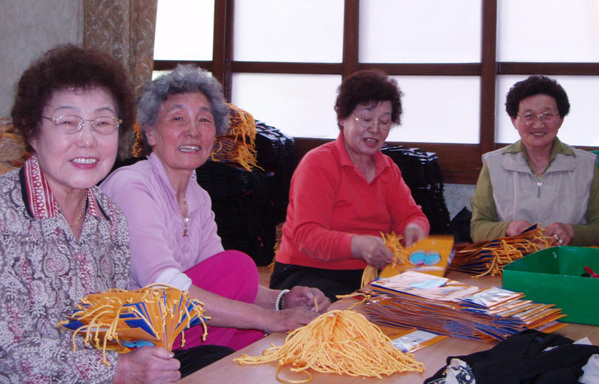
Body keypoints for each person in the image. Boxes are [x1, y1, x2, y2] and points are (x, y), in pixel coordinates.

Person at [100, 64, 330, 374]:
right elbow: (164, 287)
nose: (193, 131)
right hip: (129, 339)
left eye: (204, 120)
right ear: (151, 132)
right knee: (242, 279)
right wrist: (268, 319)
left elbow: (228, 286)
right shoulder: (132, 185)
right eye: (178, 118)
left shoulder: (197, 196)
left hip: (174, 324)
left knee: (256, 335)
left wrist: (283, 301)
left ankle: (208, 361)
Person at [0, 44, 181, 383]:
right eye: (68, 122)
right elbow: (9, 352)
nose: (87, 140)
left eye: (102, 123)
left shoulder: (111, 218)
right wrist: (120, 370)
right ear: (31, 131)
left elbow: (106, 328)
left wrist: (143, 350)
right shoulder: (5, 214)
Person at [270, 70, 430, 301]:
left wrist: (415, 227)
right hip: (307, 273)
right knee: (358, 313)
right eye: (366, 119)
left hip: (366, 274)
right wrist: (356, 245)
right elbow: (307, 236)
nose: (375, 129)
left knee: (423, 302)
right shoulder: (318, 163)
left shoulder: (388, 168)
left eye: (384, 122)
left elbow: (411, 215)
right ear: (341, 117)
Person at [470, 75, 599, 247]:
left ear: (561, 119)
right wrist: (508, 228)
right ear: (514, 120)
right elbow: (477, 229)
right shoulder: (494, 164)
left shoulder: (585, 165)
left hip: (566, 266)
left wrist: (571, 231)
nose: (538, 124)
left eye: (547, 115)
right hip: (510, 265)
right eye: (528, 115)